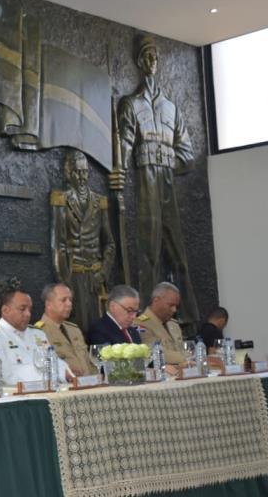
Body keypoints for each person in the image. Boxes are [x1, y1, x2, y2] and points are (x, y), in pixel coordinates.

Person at [118, 34, 200, 323]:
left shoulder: (171, 109)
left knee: (178, 253)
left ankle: (187, 314)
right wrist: (119, 169)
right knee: (148, 253)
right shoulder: (130, 103)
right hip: (144, 185)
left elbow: (187, 155)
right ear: (140, 62)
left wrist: (165, 161)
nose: (153, 61)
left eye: (156, 57)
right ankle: (144, 317)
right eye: (148, 56)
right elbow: (124, 146)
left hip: (166, 182)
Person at [50, 149, 116, 331]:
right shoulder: (61, 199)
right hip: (75, 274)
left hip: (95, 275)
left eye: (84, 172)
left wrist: (102, 274)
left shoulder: (99, 201)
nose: (81, 177)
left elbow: (109, 243)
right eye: (77, 172)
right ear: (69, 173)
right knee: (77, 326)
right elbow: (58, 245)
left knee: (99, 327)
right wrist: (65, 282)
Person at [0, 289, 69, 386]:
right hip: (18, 395)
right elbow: (5, 375)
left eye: (30, 309)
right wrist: (46, 378)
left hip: (49, 388)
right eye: (22, 309)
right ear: (5, 310)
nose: (28, 314)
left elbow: (53, 360)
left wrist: (66, 373)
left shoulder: (38, 333)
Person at [36, 283, 96, 376]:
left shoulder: (74, 330)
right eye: (63, 300)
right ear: (49, 304)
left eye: (70, 300)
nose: (69, 304)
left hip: (88, 385)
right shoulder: (39, 332)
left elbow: (89, 363)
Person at [137, 282, 186, 366]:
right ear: (156, 300)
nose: (174, 310)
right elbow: (154, 353)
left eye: (176, 306)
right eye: (171, 305)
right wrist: (189, 357)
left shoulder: (173, 324)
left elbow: (182, 348)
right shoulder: (141, 324)